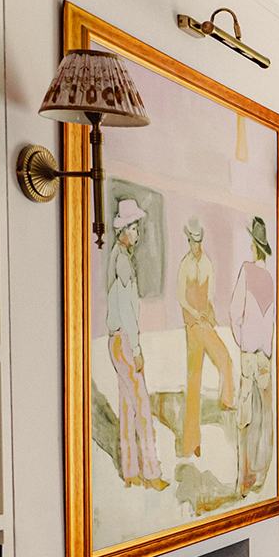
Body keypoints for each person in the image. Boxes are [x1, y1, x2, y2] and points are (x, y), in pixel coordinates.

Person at [106, 203, 169, 491]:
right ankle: (152, 473)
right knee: (142, 408)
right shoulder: (121, 262)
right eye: (134, 228)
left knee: (127, 407)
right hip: (125, 342)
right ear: (123, 231)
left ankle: (130, 471)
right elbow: (127, 311)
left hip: (116, 341)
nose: (138, 234)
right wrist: (139, 348)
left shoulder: (118, 258)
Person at [176, 217, 235, 457]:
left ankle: (227, 401)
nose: (196, 246)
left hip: (205, 324)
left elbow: (209, 296)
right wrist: (195, 313)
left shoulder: (208, 263)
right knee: (194, 382)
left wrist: (210, 315)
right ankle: (191, 442)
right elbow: (181, 296)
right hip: (192, 326)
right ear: (188, 241)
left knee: (225, 359)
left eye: (198, 242)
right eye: (193, 241)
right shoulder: (185, 265)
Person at [229, 217, 275, 496]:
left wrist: (242, 338)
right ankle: (262, 478)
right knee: (264, 419)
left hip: (249, 355)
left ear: (254, 246)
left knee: (244, 419)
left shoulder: (246, 271)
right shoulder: (269, 277)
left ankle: (243, 480)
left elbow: (235, 312)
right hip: (265, 358)